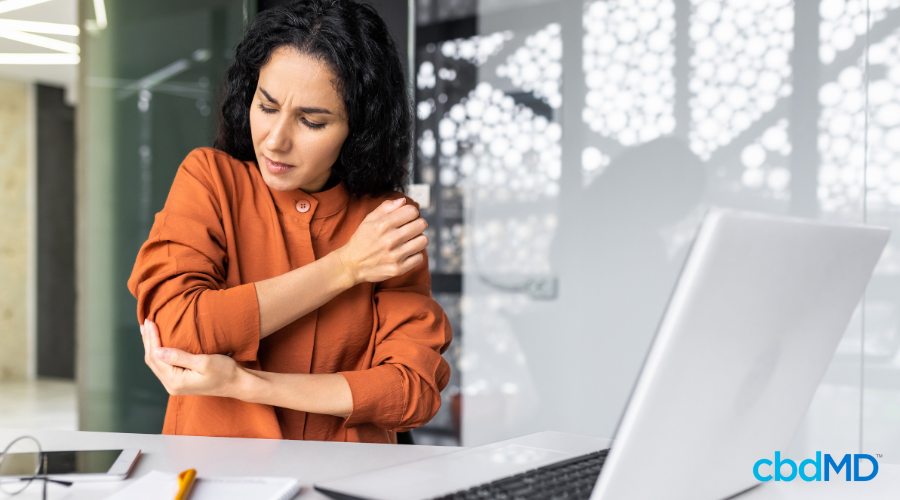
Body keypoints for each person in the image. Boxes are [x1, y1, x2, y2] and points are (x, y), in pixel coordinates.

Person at [127, 0, 452, 444]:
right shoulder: (210, 179)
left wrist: (245, 384)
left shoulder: (386, 222)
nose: (275, 141)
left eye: (311, 122)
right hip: (215, 475)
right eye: (266, 106)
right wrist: (346, 267)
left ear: (358, 130)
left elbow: (411, 392)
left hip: (345, 480)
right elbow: (179, 329)